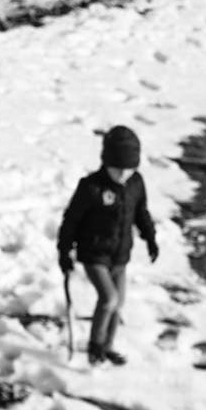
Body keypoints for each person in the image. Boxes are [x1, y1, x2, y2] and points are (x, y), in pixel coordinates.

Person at [55, 126, 160, 365]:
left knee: (118, 304)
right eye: (118, 169)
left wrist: (151, 238)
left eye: (129, 169)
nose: (123, 175)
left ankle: (107, 347)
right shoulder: (91, 187)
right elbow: (71, 220)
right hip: (94, 255)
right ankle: (94, 348)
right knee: (109, 299)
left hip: (120, 256)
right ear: (106, 163)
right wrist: (64, 251)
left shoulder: (135, 183)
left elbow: (141, 213)